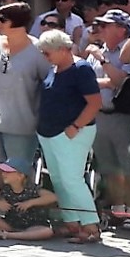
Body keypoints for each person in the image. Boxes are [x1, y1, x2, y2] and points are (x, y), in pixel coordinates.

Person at [34, 28, 103, 244]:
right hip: (49, 132)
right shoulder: (54, 69)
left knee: (72, 179)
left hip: (72, 133)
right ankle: (72, 222)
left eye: (48, 53)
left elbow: (94, 103)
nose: (45, 57)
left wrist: (75, 126)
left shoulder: (81, 69)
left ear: (63, 49)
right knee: (58, 179)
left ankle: (91, 226)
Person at [0, 2, 43, 176]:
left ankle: (21, 204)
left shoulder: (39, 51)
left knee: (17, 174)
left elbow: (48, 85)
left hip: (22, 126)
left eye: (2, 19)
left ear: (17, 22)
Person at [90, 9, 130, 215]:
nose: (100, 29)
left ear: (121, 30)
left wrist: (103, 61)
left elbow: (119, 80)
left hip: (123, 117)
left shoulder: (127, 53)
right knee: (108, 167)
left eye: (106, 25)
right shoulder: (98, 51)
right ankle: (118, 210)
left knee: (129, 168)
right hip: (99, 116)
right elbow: (89, 82)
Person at [0, 162, 57, 242]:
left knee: (47, 231)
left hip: (33, 225)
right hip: (10, 224)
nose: (3, 174)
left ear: (21, 175)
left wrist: (30, 203)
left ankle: (6, 235)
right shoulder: (5, 189)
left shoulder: (32, 189)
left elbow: (53, 197)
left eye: (8, 172)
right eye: (3, 171)